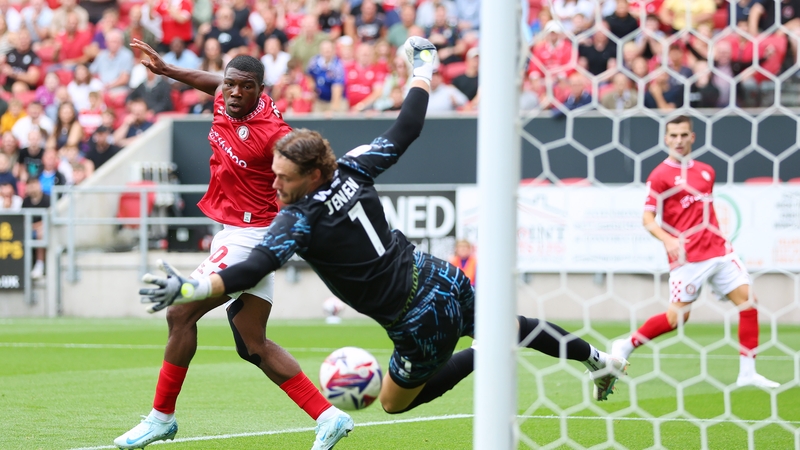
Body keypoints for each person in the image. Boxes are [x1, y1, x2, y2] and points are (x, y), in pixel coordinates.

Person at [139, 38, 629, 424]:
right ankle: (596, 358)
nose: (276, 185)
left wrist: (191, 287)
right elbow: (408, 126)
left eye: (282, 177)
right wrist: (423, 69)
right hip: (440, 276)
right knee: (510, 322)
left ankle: (487, 351)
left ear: (308, 174)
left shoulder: (299, 220)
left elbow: (254, 267)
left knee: (393, 403)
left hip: (413, 318)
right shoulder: (353, 166)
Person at [115, 38, 353, 450]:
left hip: (254, 235)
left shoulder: (274, 134)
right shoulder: (225, 97)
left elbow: (313, 167)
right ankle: (329, 416)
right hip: (236, 232)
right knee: (251, 343)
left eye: (246, 87)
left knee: (180, 313)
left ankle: (161, 418)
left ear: (261, 91)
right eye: (230, 84)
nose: (234, 92)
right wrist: (168, 70)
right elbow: (213, 82)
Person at [610, 115, 780, 389]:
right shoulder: (659, 175)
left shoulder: (706, 171)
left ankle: (748, 374)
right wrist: (668, 240)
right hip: (687, 258)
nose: (678, 140)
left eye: (683, 135)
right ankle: (626, 344)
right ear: (666, 139)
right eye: (673, 135)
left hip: (719, 251)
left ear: (692, 137)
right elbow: (647, 219)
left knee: (748, 303)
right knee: (676, 319)